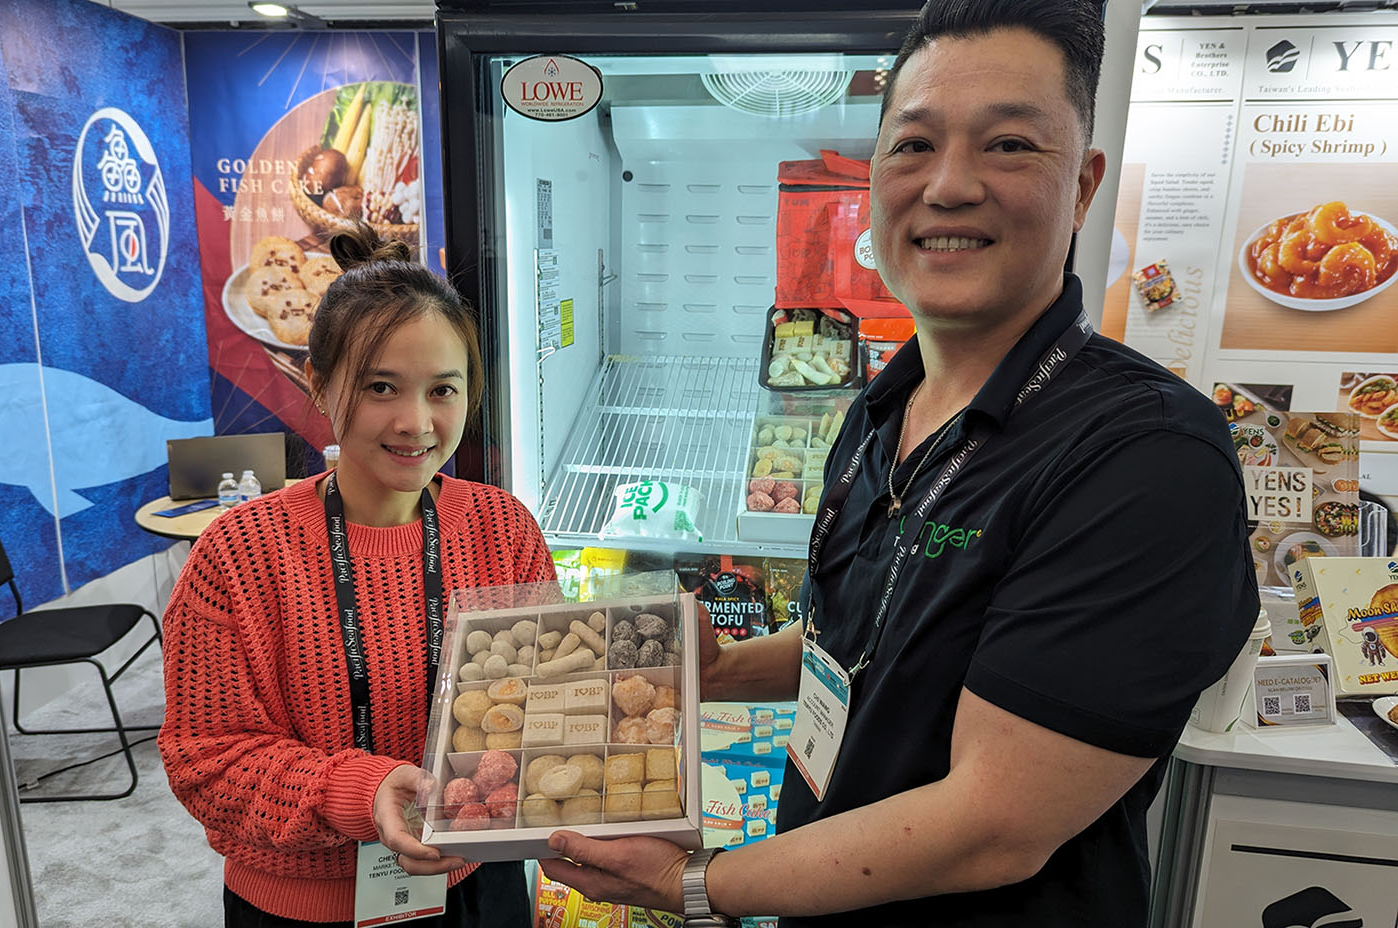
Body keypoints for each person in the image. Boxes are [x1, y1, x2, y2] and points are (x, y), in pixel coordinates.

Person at [538, 2, 1260, 925]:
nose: (948, 186)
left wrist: (692, 884)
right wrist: (718, 672)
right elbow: (876, 645)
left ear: (1082, 187)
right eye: (914, 145)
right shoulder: (886, 403)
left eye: (1008, 145)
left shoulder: (1146, 458)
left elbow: (993, 825)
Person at [159, 224, 555, 927]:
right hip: (300, 908)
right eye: (380, 387)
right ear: (318, 383)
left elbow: (542, 702)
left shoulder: (502, 528)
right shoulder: (239, 554)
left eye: (443, 389)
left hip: (475, 881)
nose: (415, 422)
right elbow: (207, 763)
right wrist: (359, 792)